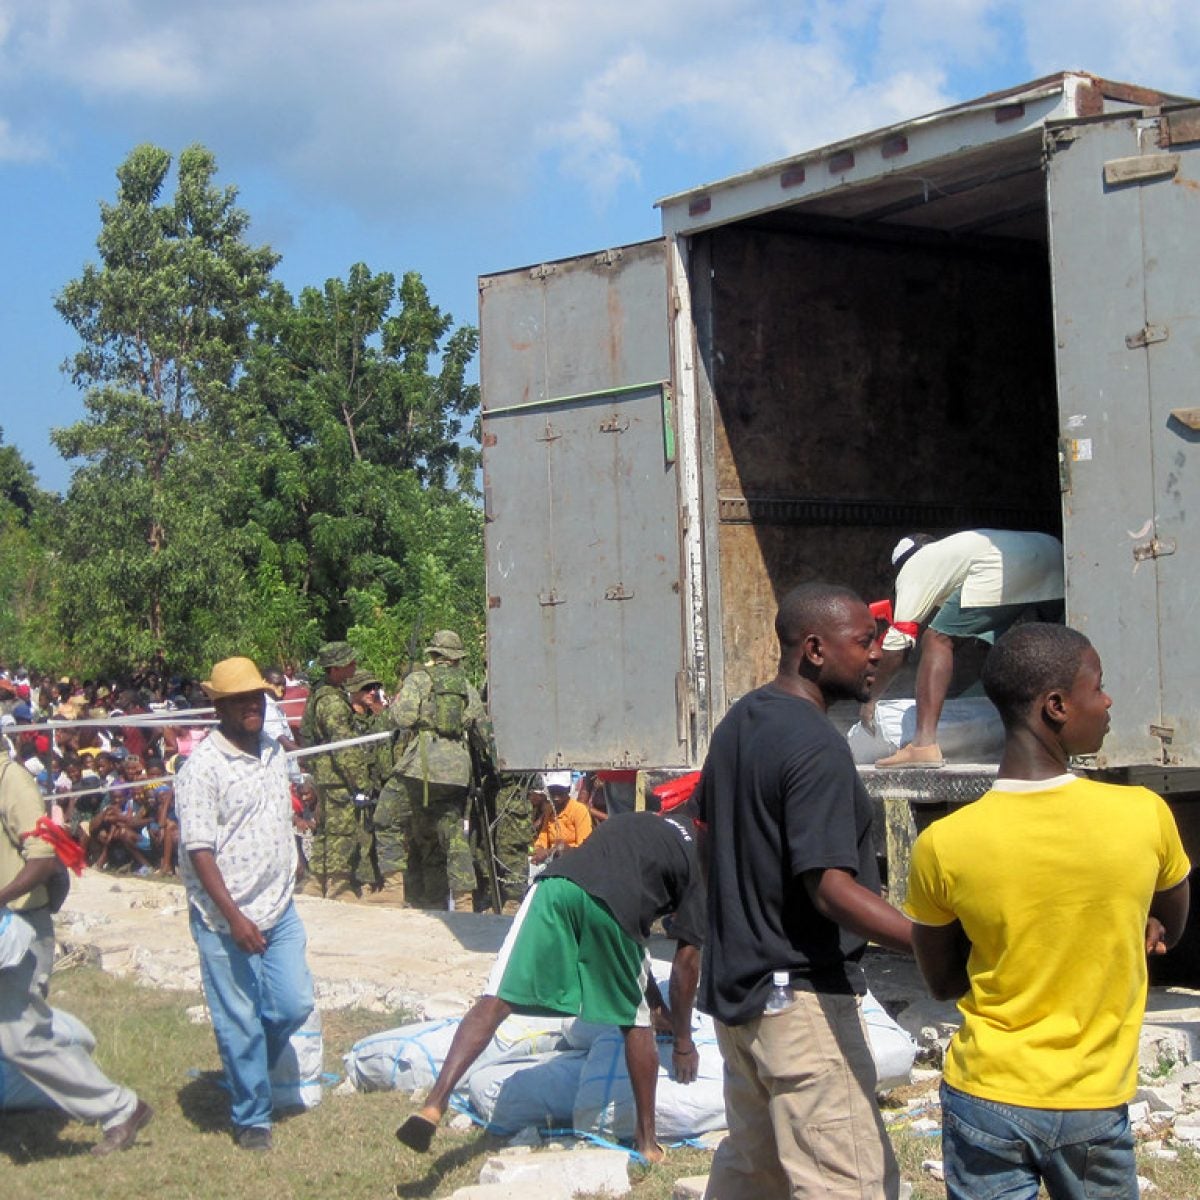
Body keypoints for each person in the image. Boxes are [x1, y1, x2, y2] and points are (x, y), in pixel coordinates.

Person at [905, 624, 1190, 1199]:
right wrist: (1133, 925)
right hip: (1092, 1098)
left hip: (985, 1093)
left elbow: (942, 982)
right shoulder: (1143, 814)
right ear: (1056, 706)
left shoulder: (943, 843)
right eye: (1098, 687)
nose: (1108, 701)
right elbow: (1172, 929)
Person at [697, 581, 913, 1200]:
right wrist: (931, 941)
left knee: (755, 1176)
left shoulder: (740, 721)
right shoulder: (816, 746)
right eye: (864, 642)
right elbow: (830, 889)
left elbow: (707, 844)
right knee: (848, 1182)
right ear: (815, 650)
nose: (876, 654)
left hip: (742, 1001)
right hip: (802, 1007)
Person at [396, 804, 705, 1161]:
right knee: (635, 1023)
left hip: (555, 886)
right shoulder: (702, 864)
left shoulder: (640, 821)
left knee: (496, 999)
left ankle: (434, 1103)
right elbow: (685, 965)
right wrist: (683, 1042)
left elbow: (632, 940)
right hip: (615, 908)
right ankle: (647, 1143)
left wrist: (656, 1002)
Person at [175, 657, 315, 1153]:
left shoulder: (273, 751)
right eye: (240, 701)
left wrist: (295, 855)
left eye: (256, 698)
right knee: (239, 1018)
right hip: (224, 917)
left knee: (293, 1004)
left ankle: (248, 1068)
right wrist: (234, 917)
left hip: (279, 906)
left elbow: (277, 814)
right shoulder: (202, 769)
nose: (251, 707)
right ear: (219, 707)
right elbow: (199, 849)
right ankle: (251, 1116)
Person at [0, 754, 153, 1155]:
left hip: (17, 929)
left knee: (22, 1039)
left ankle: (120, 1107)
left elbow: (42, 859)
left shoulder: (10, 781)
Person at [865, 529, 1064, 767]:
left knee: (936, 639)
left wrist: (870, 698)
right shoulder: (954, 553)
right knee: (1041, 644)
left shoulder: (915, 566)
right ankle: (1053, 738)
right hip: (1053, 552)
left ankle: (923, 745)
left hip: (1005, 567)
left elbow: (900, 641)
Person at [378, 630, 484, 911]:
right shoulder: (466, 686)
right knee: (451, 831)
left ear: (434, 654)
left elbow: (403, 717)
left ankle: (392, 889)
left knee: (386, 815)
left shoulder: (419, 679)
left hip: (423, 765)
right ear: (457, 657)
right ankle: (463, 900)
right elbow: (479, 724)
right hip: (457, 770)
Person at [298, 641, 374, 900]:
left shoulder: (321, 693)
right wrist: (360, 782)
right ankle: (338, 885)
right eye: (349, 663)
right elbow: (344, 747)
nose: (354, 666)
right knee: (342, 832)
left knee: (325, 829)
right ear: (335, 668)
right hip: (337, 776)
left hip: (325, 774)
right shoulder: (332, 701)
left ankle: (316, 882)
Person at [529, 769, 593, 865]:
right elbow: (542, 840)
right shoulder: (549, 810)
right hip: (552, 862)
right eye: (553, 790)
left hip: (575, 862)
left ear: (568, 789)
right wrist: (538, 851)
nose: (556, 794)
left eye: (560, 790)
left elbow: (584, 847)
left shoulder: (579, 810)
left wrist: (551, 852)